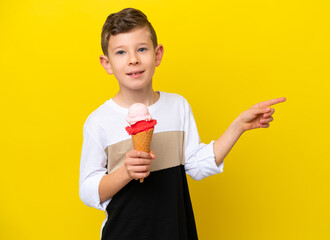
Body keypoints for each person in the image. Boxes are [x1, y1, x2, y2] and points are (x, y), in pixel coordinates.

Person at [79, 8, 286, 240]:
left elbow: (197, 167)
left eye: (142, 49)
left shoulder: (177, 106)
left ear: (157, 55)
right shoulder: (98, 121)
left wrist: (238, 126)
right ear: (106, 63)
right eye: (120, 52)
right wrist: (125, 173)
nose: (133, 59)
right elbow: (87, 191)